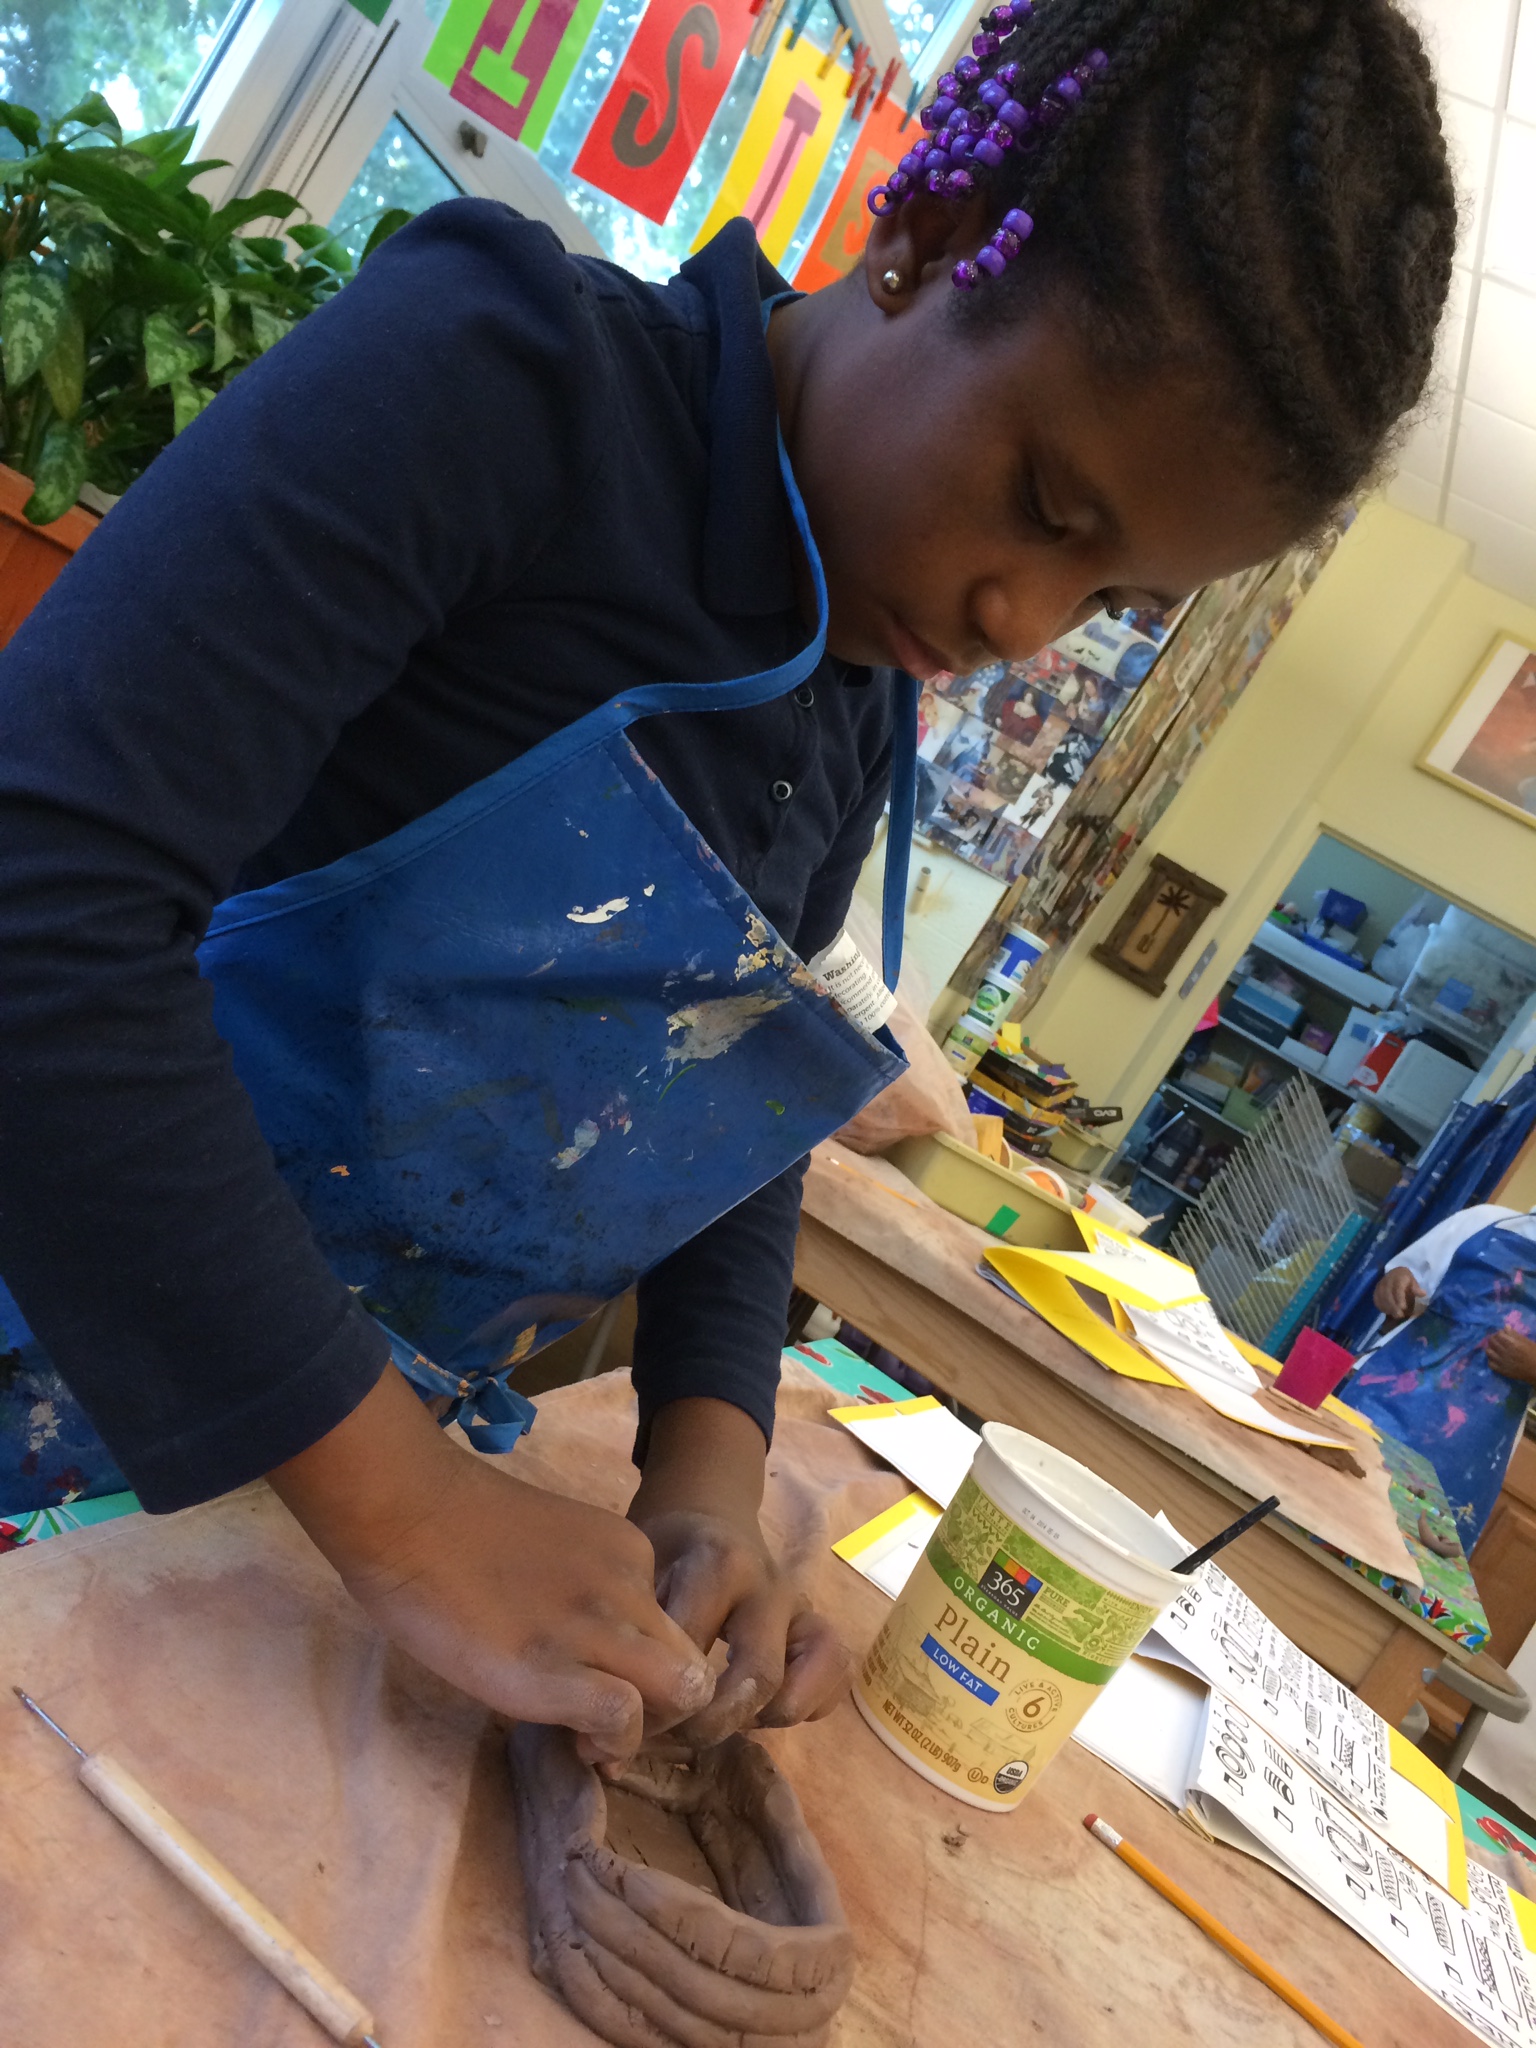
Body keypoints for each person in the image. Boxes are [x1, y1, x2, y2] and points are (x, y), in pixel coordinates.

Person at [0, 0, 1457, 1763]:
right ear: (924, 235)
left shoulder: (850, 691)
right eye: (1042, 503)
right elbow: (47, 905)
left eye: (1110, 599)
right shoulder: (504, 379)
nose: (1020, 622)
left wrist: (708, 1471)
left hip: (263, 1508)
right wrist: (406, 1508)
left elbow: (728, 1092)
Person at [1345, 1204, 1536, 1544]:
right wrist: (1395, 1286)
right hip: (1380, 1402)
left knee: (1401, 1552)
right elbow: (1406, 1296)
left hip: (1464, 1453)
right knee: (1311, 1499)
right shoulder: (1484, 1221)